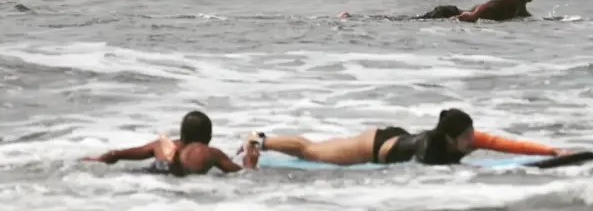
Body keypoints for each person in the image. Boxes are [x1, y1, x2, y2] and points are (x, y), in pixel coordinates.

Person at [242, 108, 566, 166]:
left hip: (396, 137)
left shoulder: (462, 137)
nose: (474, 139)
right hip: (372, 147)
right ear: (453, 138)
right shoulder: (431, 150)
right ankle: (258, 138)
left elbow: (505, 144)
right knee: (311, 151)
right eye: (468, 136)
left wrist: (551, 151)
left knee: (314, 149)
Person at [82, 110, 259, 175]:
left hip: (150, 175)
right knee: (182, 172)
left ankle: (172, 160)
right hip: (187, 179)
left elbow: (117, 155)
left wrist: (97, 160)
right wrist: (250, 161)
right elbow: (239, 173)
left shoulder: (160, 144)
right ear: (209, 136)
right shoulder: (210, 152)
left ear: (182, 133)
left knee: (159, 168)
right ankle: (175, 164)